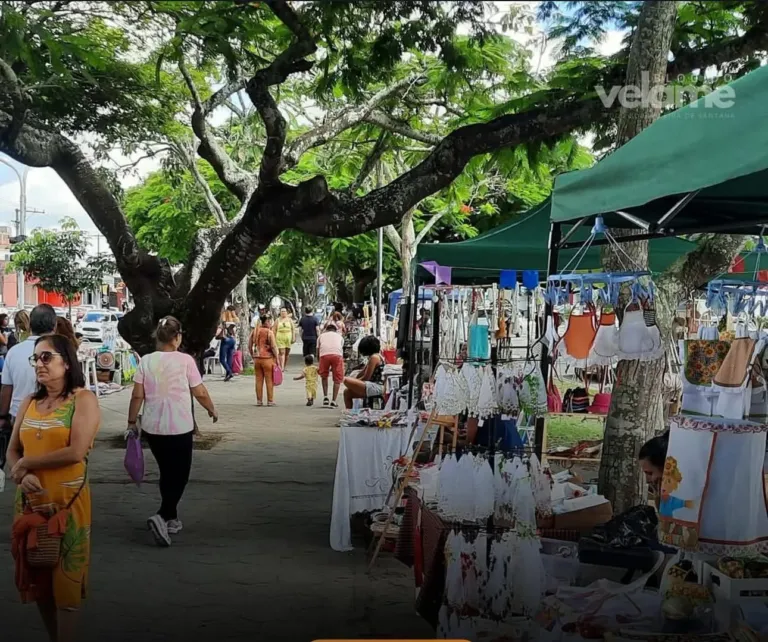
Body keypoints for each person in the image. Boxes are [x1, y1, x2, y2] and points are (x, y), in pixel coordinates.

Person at [7, 333, 100, 642]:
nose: (39, 364)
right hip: (30, 505)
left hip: (67, 505)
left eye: (47, 357)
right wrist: (20, 473)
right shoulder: (30, 403)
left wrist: (28, 464)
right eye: (36, 358)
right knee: (41, 584)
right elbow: (12, 451)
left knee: (67, 586)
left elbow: (76, 451)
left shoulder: (82, 400)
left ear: (66, 361)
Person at [126, 316, 218, 547]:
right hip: (179, 427)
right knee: (180, 475)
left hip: (153, 428)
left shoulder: (146, 361)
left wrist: (131, 422)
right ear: (177, 338)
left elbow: (137, 395)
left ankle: (172, 518)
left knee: (167, 473)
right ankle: (163, 515)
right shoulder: (185, 361)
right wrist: (211, 410)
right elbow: (200, 392)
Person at [0, 305, 58, 436]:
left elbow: (6, 388)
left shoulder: (14, 352)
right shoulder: (61, 351)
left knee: (17, 453)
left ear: (30, 326)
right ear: (54, 326)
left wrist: (3, 417)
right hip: (55, 417)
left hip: (19, 416)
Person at [343, 335, 385, 409]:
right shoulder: (373, 357)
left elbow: (366, 377)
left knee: (346, 380)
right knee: (347, 393)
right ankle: (350, 414)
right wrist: (355, 381)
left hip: (376, 386)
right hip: (372, 385)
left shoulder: (374, 358)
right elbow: (362, 373)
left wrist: (355, 382)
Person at [249, 315, 279, 406]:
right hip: (267, 359)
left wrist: (253, 355)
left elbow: (249, 345)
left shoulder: (255, 331)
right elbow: (273, 347)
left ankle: (259, 401)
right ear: (267, 322)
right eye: (270, 321)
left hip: (257, 359)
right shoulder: (269, 332)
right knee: (269, 380)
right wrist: (277, 358)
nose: (271, 323)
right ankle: (270, 401)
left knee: (258, 380)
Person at [318, 324, 344, 408]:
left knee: (324, 376)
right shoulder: (339, 336)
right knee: (337, 379)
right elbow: (341, 347)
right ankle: (334, 400)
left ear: (326, 329)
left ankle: (325, 397)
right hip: (337, 355)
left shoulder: (321, 336)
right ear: (335, 330)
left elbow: (317, 349)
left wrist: (319, 360)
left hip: (324, 355)